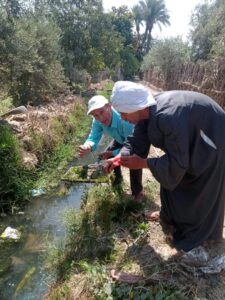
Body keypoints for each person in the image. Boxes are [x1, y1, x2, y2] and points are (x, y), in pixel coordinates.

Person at [106, 80, 225, 252]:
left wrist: (144, 163)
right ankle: (170, 218)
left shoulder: (167, 117)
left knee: (200, 189)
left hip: (213, 137)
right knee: (171, 178)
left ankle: (204, 243)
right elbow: (135, 141)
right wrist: (118, 157)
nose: (123, 118)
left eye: (124, 113)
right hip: (188, 138)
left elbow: (177, 163)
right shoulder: (146, 112)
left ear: (135, 107)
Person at [79, 94, 144, 201]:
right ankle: (117, 181)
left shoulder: (124, 118)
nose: (100, 118)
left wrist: (113, 154)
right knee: (109, 154)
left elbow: (130, 145)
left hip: (135, 141)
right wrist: (88, 146)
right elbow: (93, 136)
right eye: (95, 115)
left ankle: (138, 192)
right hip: (120, 138)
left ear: (109, 106)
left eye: (101, 112)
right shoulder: (97, 120)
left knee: (132, 161)